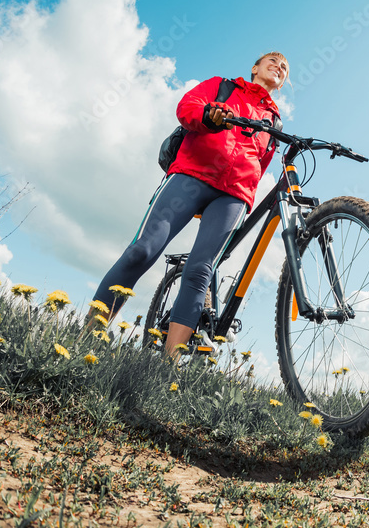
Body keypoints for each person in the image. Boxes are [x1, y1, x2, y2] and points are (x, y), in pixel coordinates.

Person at [86, 51, 289, 360]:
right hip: (193, 175)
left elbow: (262, 161)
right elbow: (187, 108)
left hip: (233, 193)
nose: (279, 67)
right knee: (142, 250)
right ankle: (87, 337)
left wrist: (246, 190)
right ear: (255, 67)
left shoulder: (273, 119)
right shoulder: (222, 87)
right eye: (273, 61)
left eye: (284, 67)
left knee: (199, 272)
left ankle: (168, 370)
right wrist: (209, 116)